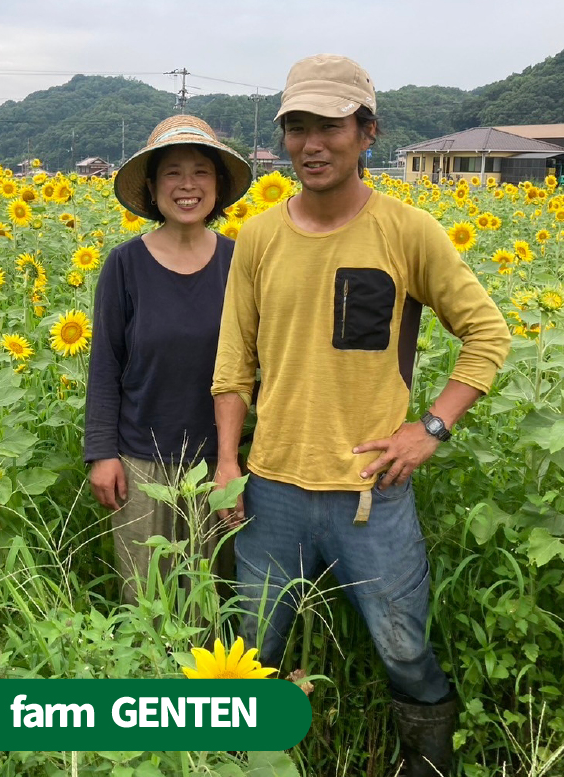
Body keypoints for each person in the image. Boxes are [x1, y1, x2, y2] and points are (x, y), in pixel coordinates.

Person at [211, 55, 511, 776]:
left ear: (367, 132)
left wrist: (430, 427)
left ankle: (427, 762)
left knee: (405, 648)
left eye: (330, 127)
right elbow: (233, 364)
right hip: (270, 489)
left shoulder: (407, 231)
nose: (312, 144)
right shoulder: (256, 237)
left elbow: (488, 334)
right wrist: (227, 460)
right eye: (297, 128)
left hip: (370, 495)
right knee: (251, 650)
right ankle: (236, 762)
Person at [85, 115, 252, 604]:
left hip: (218, 460)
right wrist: (102, 454)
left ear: (218, 186)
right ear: (153, 188)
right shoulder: (125, 264)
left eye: (201, 171)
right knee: (147, 599)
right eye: (173, 172)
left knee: (210, 600)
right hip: (140, 461)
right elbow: (105, 366)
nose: (187, 185)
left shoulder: (239, 262)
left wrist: (232, 463)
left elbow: (251, 365)